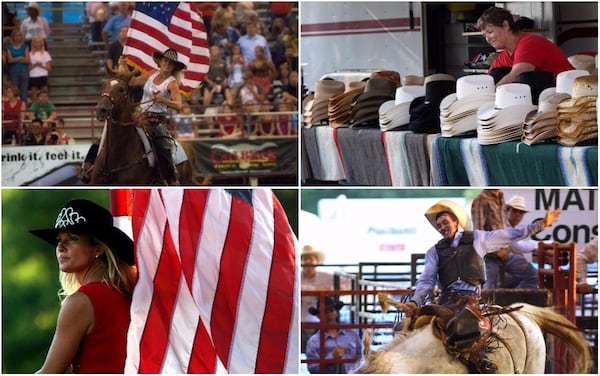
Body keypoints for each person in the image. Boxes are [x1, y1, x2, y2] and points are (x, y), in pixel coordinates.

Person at [403, 199, 561, 373]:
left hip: (469, 301)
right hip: (445, 301)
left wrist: (542, 225)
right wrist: (416, 302)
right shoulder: (434, 251)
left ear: (456, 221)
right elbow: (426, 279)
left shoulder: (478, 239)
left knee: (464, 326)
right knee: (407, 327)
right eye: (439, 225)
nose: (442, 228)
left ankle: (482, 360)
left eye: (445, 222)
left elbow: (510, 234)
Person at [29, 199, 136, 373]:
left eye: (73, 238)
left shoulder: (81, 301)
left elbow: (49, 372)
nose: (61, 247)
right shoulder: (124, 291)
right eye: (59, 240)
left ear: (98, 249)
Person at [477, 6, 574, 86]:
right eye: (485, 36)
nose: (488, 39)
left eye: (490, 32)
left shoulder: (529, 42)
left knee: (525, 77)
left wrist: (493, 94)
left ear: (505, 25)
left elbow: (517, 74)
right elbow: (488, 81)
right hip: (545, 93)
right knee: (496, 74)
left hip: (567, 89)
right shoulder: (503, 56)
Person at [128, 49, 184, 185]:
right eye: (165, 60)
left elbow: (179, 105)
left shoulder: (172, 83)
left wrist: (163, 100)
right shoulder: (153, 73)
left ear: (174, 67)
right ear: (160, 62)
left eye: (171, 63)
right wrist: (124, 66)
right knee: (116, 129)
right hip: (139, 115)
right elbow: (133, 82)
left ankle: (171, 179)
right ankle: (91, 167)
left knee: (162, 147)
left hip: (156, 120)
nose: (167, 64)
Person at [305, 296, 362, 374]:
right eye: (325, 312)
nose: (329, 314)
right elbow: (313, 369)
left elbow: (362, 358)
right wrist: (331, 359)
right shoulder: (313, 342)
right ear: (319, 316)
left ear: (336, 313)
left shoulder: (352, 335)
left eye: (331, 310)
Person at [471, 189, 509, 289]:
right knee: (490, 289)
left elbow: (504, 225)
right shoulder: (481, 199)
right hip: (490, 255)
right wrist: (497, 251)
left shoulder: (501, 196)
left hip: (504, 251)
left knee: (500, 287)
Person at [6, 29, 30, 103]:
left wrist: (15, 59)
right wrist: (20, 57)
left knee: (24, 91)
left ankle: (24, 109)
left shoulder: (25, 47)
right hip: (13, 70)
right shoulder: (9, 47)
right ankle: (15, 108)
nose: (18, 37)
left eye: (19, 35)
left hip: (24, 70)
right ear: (13, 37)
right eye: (16, 35)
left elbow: (27, 60)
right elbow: (10, 60)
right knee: (14, 90)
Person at [28, 34, 51, 103]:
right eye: (35, 42)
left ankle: (44, 108)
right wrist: (35, 64)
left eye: (39, 42)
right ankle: (35, 110)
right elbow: (28, 68)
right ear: (33, 43)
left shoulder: (45, 53)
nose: (37, 44)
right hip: (33, 76)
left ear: (42, 43)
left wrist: (41, 65)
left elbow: (49, 68)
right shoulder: (29, 54)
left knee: (44, 92)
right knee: (34, 94)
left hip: (43, 75)